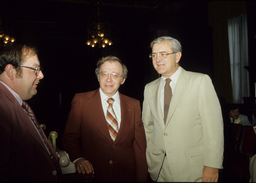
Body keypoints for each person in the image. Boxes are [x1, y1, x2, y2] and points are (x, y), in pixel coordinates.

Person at [142, 36, 224, 182]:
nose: (157, 59)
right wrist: (152, 154)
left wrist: (212, 165)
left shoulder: (200, 81)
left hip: (193, 169)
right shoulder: (149, 88)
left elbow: (213, 128)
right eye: (154, 55)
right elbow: (148, 127)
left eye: (163, 54)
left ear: (177, 56)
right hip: (159, 169)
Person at [62, 56, 148, 182]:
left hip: (127, 177)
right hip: (93, 176)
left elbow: (139, 147)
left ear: (122, 80)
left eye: (115, 75)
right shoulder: (81, 101)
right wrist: (78, 159)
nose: (109, 79)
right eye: (104, 74)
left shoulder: (134, 105)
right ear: (98, 77)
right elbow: (69, 137)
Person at [0, 44, 61, 181]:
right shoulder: (2, 106)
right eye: (35, 69)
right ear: (11, 71)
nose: (41, 75)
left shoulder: (16, 103)